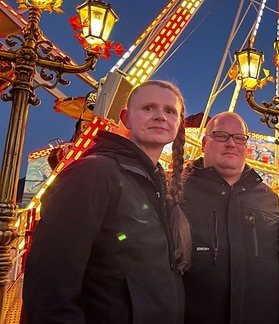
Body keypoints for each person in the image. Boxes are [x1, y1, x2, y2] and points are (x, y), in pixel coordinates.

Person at [23, 80, 191, 323]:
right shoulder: (94, 173)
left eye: (170, 111)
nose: (160, 117)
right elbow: (50, 285)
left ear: (178, 124)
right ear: (126, 118)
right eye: (148, 108)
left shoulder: (158, 187)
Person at [180, 112, 279, 323]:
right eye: (220, 135)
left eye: (239, 138)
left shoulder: (268, 199)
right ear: (204, 143)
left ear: (246, 146)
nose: (231, 143)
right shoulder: (176, 193)